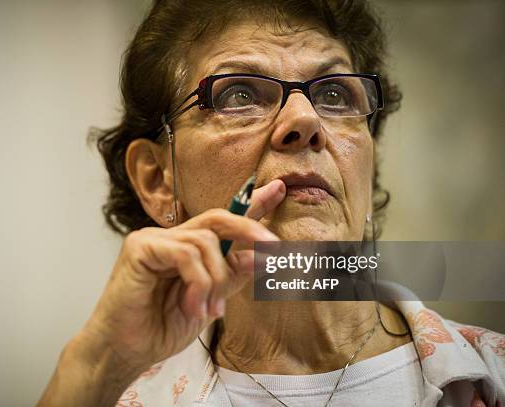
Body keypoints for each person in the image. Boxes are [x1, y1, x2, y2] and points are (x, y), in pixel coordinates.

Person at [38, 0, 505, 405]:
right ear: (160, 179)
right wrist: (100, 363)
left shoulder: (493, 371)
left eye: (335, 94)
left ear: (369, 160)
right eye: (239, 94)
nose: (305, 119)